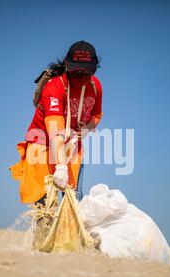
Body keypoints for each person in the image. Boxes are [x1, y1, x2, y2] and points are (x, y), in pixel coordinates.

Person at [10, 41, 103, 204]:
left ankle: (73, 230)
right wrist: (61, 167)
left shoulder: (95, 86)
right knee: (44, 201)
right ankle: (43, 229)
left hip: (71, 144)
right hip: (42, 144)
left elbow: (96, 115)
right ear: (67, 65)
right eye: (77, 72)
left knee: (73, 198)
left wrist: (88, 128)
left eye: (88, 72)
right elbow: (55, 132)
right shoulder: (54, 87)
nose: (83, 77)